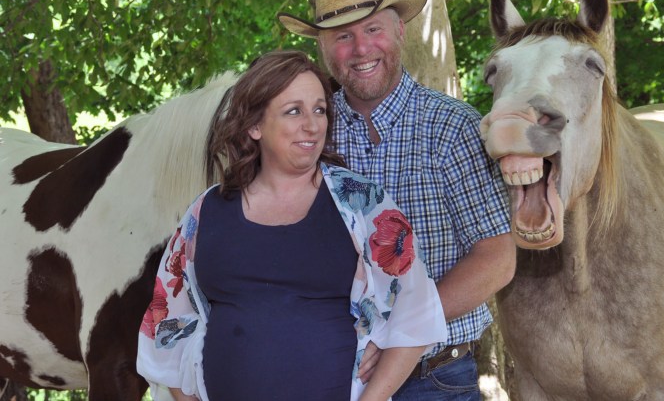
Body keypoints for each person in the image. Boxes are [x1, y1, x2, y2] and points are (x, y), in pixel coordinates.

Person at [136, 50, 447, 401]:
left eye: (319, 109)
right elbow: (166, 329)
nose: (312, 125)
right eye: (293, 111)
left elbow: (416, 311)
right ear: (255, 125)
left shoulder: (363, 204)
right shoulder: (205, 212)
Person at [278, 0, 517, 400]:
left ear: (401, 30)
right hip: (327, 375)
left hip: (436, 379)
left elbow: (497, 258)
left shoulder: (452, 128)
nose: (360, 48)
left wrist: (397, 331)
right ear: (324, 49)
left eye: (372, 29)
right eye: (342, 36)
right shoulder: (310, 133)